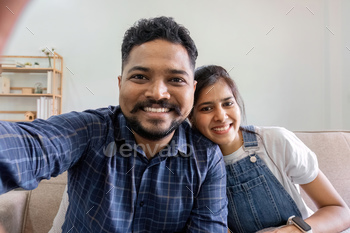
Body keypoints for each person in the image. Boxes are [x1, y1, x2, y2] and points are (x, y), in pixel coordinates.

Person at [0, 17, 228, 232]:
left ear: (193, 90)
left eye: (176, 79)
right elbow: (28, 146)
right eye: (140, 76)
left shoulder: (206, 158)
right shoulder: (89, 131)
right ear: (120, 84)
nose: (158, 93)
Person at [189, 65, 350, 233]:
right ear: (190, 116)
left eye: (228, 103)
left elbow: (340, 211)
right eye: (206, 108)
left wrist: (292, 231)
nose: (221, 116)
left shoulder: (276, 141)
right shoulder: (192, 167)